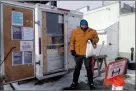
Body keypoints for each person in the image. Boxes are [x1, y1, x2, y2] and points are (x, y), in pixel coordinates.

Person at [69, 19, 99, 90]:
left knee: (89, 69)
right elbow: (72, 41)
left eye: (85, 25)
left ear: (87, 25)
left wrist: (93, 40)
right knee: (77, 68)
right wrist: (72, 50)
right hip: (78, 53)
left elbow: (97, 39)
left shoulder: (92, 31)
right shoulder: (75, 31)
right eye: (82, 25)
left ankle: (91, 83)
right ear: (80, 25)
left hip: (87, 54)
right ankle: (74, 82)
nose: (84, 26)